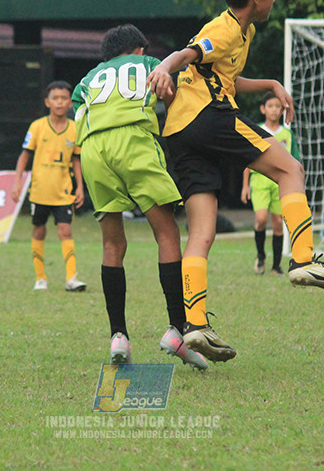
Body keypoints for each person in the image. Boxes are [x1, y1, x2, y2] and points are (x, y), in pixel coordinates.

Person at [146, 0, 324, 363]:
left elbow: (227, 77)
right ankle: (302, 258)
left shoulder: (244, 32)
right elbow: (189, 54)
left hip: (180, 133)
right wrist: (163, 68)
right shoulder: (221, 28)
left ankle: (196, 325)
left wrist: (271, 84)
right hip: (209, 117)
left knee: (202, 233)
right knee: (290, 169)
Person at [72, 24, 208, 370]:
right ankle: (178, 330)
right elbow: (170, 96)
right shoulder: (149, 64)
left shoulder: (87, 79)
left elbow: (79, 115)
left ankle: (118, 335)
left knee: (113, 245)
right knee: (167, 233)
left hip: (92, 148)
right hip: (133, 140)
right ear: (138, 50)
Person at [11, 81, 87, 292]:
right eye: (55, 98)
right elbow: (24, 155)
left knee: (65, 230)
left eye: (64, 98)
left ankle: (72, 278)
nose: (60, 102)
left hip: (63, 191)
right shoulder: (37, 126)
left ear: (70, 103)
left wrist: (80, 187)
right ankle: (40, 278)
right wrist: (17, 182)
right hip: (39, 191)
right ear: (47, 102)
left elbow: (76, 160)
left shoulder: (75, 129)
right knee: (39, 231)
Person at [241, 92, 298, 276]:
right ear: (263, 109)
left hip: (280, 183)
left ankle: (276, 266)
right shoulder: (255, 130)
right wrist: (244, 186)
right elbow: (246, 160)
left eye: (278, 107)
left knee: (277, 223)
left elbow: (294, 161)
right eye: (271, 106)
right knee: (260, 220)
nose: (274, 110)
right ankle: (260, 255)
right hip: (259, 181)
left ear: (283, 111)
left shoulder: (287, 135)